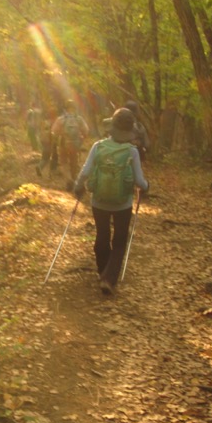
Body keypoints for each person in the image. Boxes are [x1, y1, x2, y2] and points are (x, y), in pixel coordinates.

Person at [73, 108, 149, 296]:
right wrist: (147, 186)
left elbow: (85, 171)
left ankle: (102, 272)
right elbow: (139, 182)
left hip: (99, 201)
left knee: (102, 235)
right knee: (120, 239)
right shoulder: (132, 151)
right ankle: (109, 277)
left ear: (112, 127)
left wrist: (78, 186)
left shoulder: (98, 146)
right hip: (123, 203)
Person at [51, 100, 89, 190]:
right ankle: (74, 179)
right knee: (74, 162)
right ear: (74, 108)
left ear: (65, 108)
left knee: (64, 162)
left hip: (63, 143)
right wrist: (82, 139)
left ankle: (68, 180)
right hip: (75, 144)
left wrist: (56, 140)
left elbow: (54, 132)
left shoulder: (61, 119)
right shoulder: (79, 119)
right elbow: (86, 130)